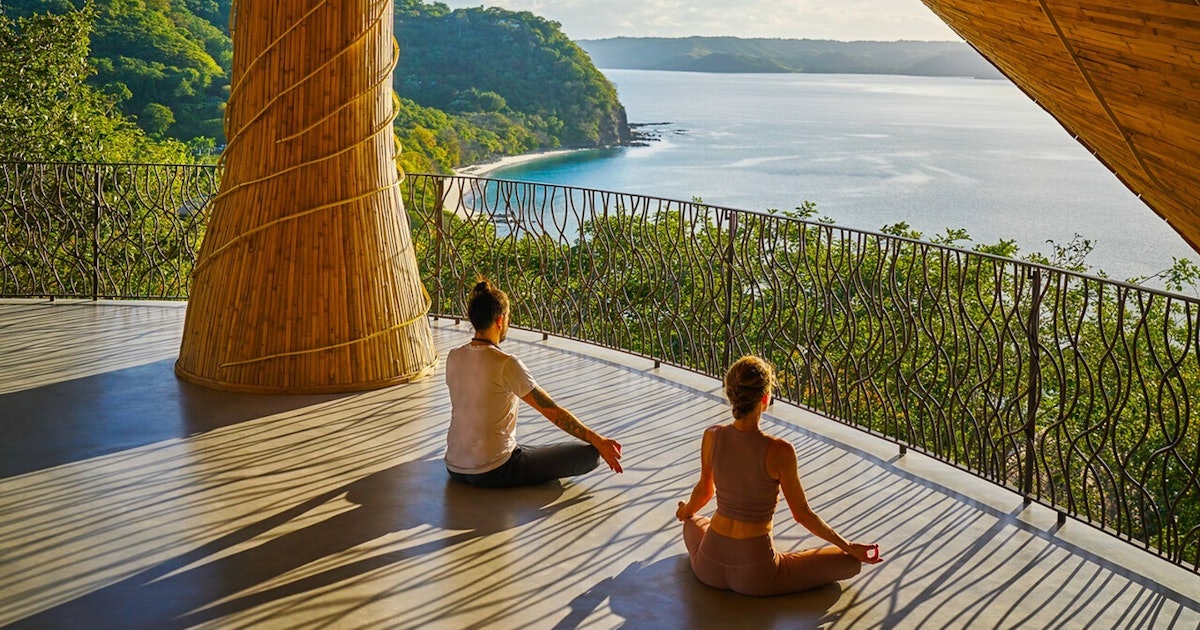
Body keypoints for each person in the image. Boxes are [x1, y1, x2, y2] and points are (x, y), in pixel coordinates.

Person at [676, 355, 881, 596]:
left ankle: (695, 525)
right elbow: (802, 515)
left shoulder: (712, 436)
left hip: (708, 566)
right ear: (765, 398)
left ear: (731, 395)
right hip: (757, 574)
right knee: (849, 563)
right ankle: (785, 562)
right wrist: (849, 546)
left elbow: (704, 491)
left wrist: (685, 512)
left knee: (693, 522)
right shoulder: (779, 450)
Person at [444, 280, 623, 488]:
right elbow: (552, 411)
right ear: (500, 320)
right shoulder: (506, 364)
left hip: (454, 467)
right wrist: (597, 439)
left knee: (524, 449)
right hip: (494, 470)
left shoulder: (453, 356)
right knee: (590, 455)